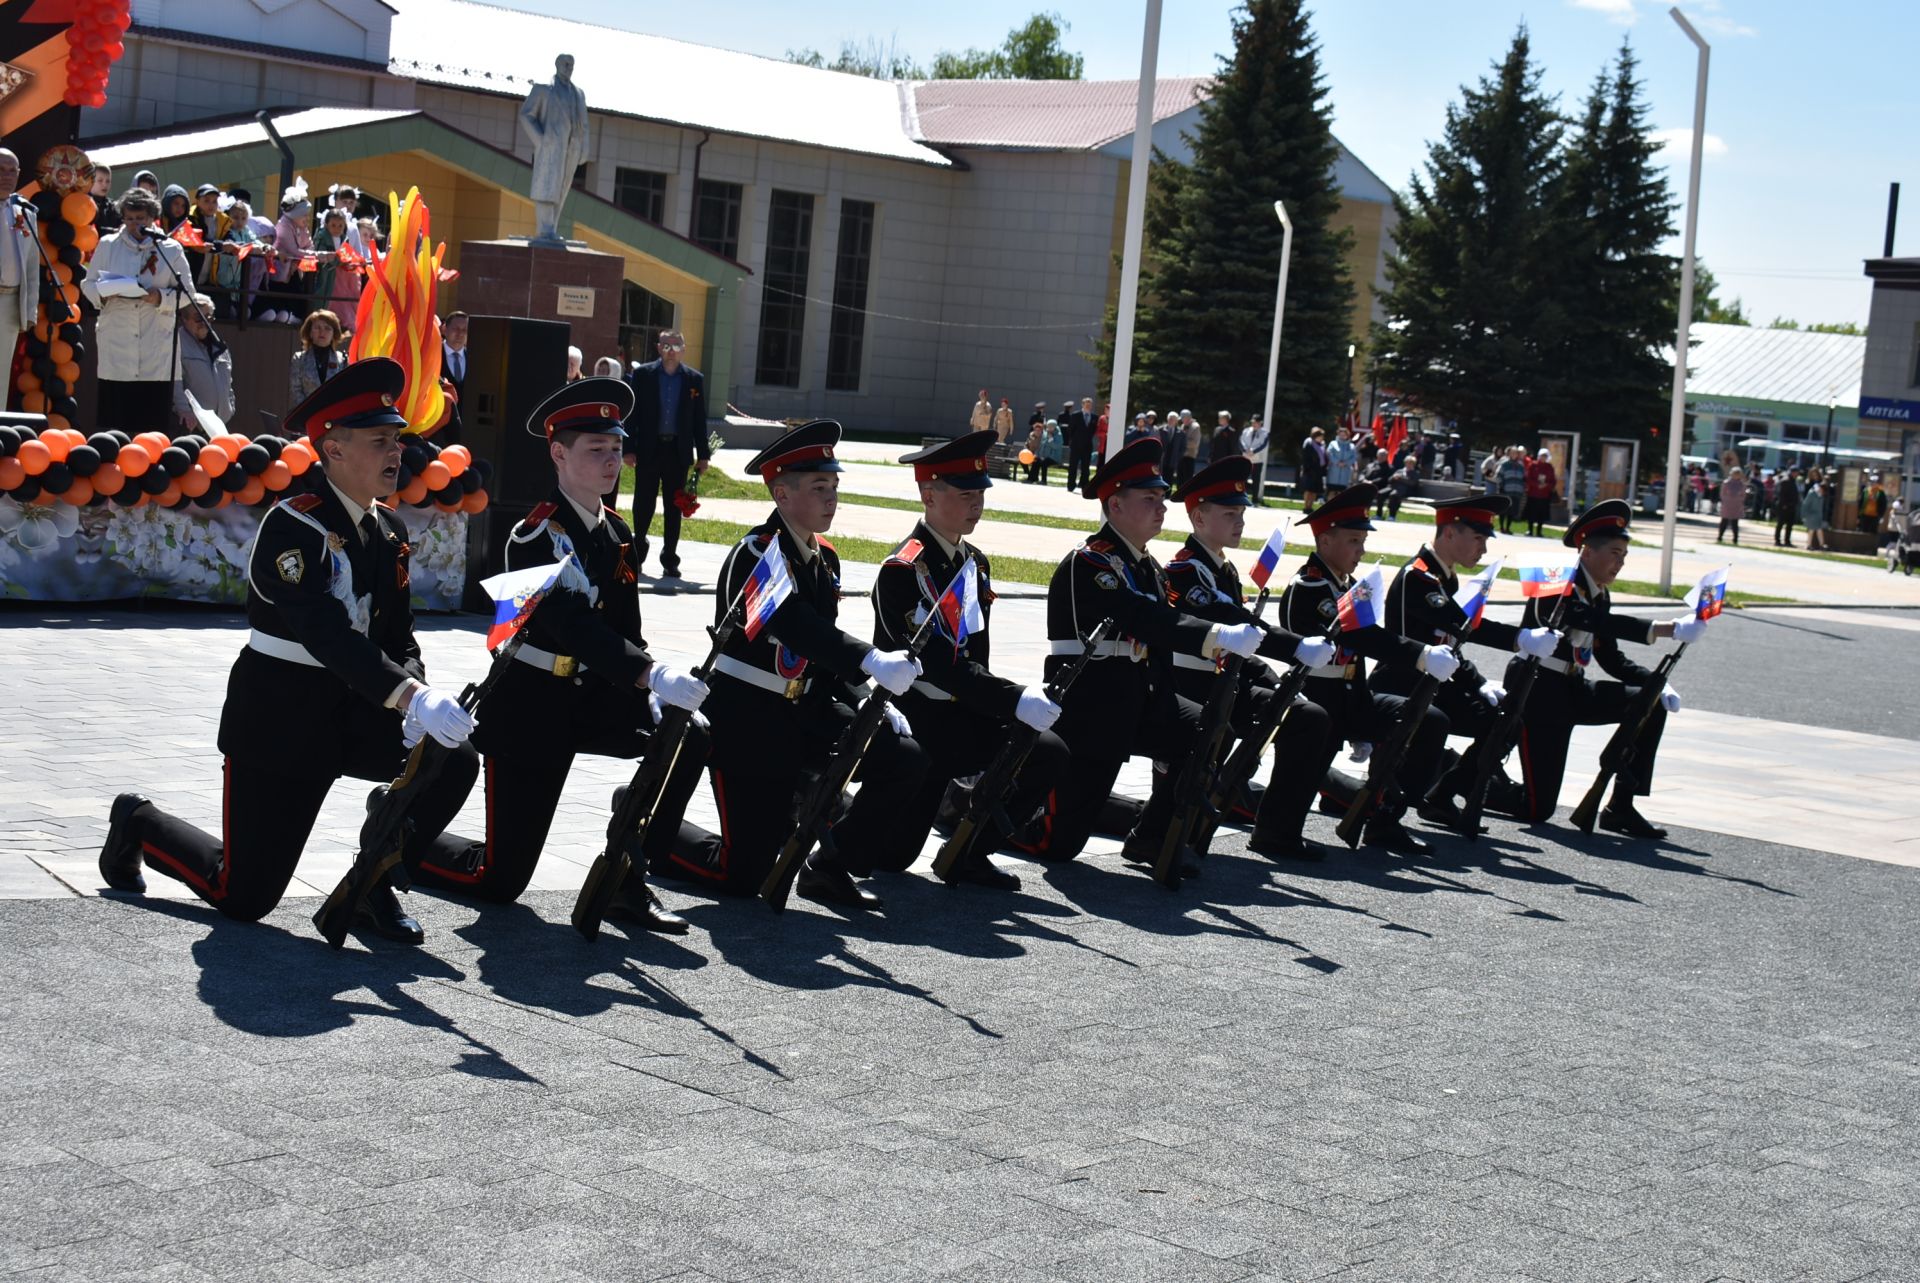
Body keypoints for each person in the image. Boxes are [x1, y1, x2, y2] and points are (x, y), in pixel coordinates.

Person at [96, 358, 478, 942]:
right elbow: (325, 633)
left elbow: (398, 634)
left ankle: (376, 879)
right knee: (244, 897)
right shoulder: (292, 529)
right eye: (379, 442)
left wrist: (417, 698)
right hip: (283, 719)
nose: (396, 453)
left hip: (355, 709)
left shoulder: (390, 531)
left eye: (397, 440)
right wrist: (407, 697)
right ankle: (139, 822)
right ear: (333, 450)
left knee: (452, 755)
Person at [414, 378, 708, 931]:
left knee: (688, 732)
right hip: (532, 704)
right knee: (502, 883)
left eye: (617, 449)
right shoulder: (532, 538)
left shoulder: (618, 533)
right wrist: (647, 674)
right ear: (558, 454)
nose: (611, 461)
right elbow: (571, 625)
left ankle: (628, 872)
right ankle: (405, 832)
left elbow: (624, 627)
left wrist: (648, 686)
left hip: (596, 695)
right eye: (596, 450)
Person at [659, 421, 927, 909]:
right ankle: (659, 833)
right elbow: (793, 623)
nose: (832, 498)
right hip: (749, 715)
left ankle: (832, 864)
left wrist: (864, 699)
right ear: (781, 494)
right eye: (819, 487)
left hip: (807, 709)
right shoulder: (756, 553)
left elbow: (821, 657)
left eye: (835, 487)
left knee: (903, 755)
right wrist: (868, 659)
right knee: (747, 876)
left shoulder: (825, 558)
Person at [1018, 438, 1266, 874]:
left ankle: (1150, 837)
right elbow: (1144, 619)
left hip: (1141, 700)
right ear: (1114, 505)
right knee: (1056, 845)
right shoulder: (1092, 564)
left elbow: (1160, 643)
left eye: (1161, 499)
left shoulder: (1146, 568)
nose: (1162, 508)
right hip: (1092, 710)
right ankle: (966, 798)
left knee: (1207, 727)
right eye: (1149, 499)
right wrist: (1216, 633)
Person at [872, 431, 1070, 889]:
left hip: (965, 712)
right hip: (920, 720)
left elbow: (974, 652)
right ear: (928, 495)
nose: (976, 503)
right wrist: (1013, 698)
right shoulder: (903, 570)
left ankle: (969, 849)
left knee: (1047, 752)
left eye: (980, 492)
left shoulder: (975, 563)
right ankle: (830, 803)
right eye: (965, 494)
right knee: (891, 858)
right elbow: (937, 663)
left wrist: (1005, 705)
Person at [1164, 456, 1335, 860]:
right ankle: (1173, 829)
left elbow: (1243, 646)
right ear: (1199, 516)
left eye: (1241, 512)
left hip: (1226, 681)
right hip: (1193, 685)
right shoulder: (1185, 570)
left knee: (1308, 717)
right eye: (1229, 513)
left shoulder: (1222, 570)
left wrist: (1276, 685)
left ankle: (1277, 830)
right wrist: (1295, 645)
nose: (1239, 521)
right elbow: (1232, 621)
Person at [1503, 500, 1703, 838]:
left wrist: (1656, 683)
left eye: (1624, 555)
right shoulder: (1557, 582)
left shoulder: (1599, 595)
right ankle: (1464, 773)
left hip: (1572, 688)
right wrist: (1662, 628)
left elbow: (1610, 657)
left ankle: (1621, 807)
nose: (1619, 563)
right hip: (1539, 692)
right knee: (1536, 809)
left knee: (1648, 703)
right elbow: (1583, 620)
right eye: (1614, 553)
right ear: (1586, 551)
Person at [1278, 484, 1458, 854]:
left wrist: (1362, 710)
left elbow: (1356, 658)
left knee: (1430, 719)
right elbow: (1361, 638)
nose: (1362, 550)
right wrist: (1422, 654)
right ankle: (1276, 832)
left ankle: (1386, 816)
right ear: (1325, 540)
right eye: (1354, 541)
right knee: (1293, 792)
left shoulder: (1343, 586)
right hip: (1318, 700)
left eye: (1362, 541)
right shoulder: (1309, 587)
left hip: (1351, 698)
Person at [1377, 496, 1562, 825]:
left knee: (1504, 720)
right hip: (1404, 682)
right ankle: (1390, 810)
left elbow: (1450, 645)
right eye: (1478, 538)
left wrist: (1478, 684)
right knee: (1439, 724)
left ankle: (1443, 793)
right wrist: (1520, 638)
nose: (1483, 549)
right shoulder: (1418, 576)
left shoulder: (1445, 578)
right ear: (1449, 534)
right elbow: (1460, 624)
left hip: (1435, 683)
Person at [82, 188, 194, 435]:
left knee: (150, 429)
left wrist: (160, 297)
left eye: (140, 219)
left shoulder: (170, 249)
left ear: (152, 218)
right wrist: (103, 292)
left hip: (154, 343)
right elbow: (88, 284)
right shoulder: (108, 245)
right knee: (116, 426)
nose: (134, 224)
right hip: (118, 341)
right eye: (129, 218)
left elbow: (188, 294)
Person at [622, 327, 711, 578]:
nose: (671, 351)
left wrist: (703, 455)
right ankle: (638, 550)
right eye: (666, 345)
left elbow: (699, 420)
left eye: (676, 346)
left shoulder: (694, 380)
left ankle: (670, 558)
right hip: (649, 449)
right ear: (659, 348)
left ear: (683, 350)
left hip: (677, 451)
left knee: (674, 507)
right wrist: (628, 449)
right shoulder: (643, 375)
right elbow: (633, 415)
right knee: (643, 503)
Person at [519, 54, 591, 243]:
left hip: (571, 149)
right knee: (547, 188)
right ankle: (545, 229)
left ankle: (551, 228)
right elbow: (526, 115)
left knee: (561, 189)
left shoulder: (578, 93)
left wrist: (584, 147)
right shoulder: (544, 89)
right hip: (551, 147)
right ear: (557, 65)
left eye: (572, 65)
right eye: (566, 64)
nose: (569, 67)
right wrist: (540, 139)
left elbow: (584, 124)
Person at [173, 294, 234, 430]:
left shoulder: (219, 345)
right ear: (184, 318)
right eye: (198, 318)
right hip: (190, 427)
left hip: (219, 427)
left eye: (208, 318)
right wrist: (184, 410)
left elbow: (228, 383)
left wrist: (229, 408)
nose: (205, 323)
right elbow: (175, 383)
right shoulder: (176, 343)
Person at [0, 149, 37, 367]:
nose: (7, 176)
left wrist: (30, 310)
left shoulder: (25, 214)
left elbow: (32, 268)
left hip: (10, 302)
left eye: (12, 171)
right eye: (1, 170)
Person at [288, 309, 348, 411]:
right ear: (310, 332)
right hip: (305, 416)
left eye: (327, 328)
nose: (322, 332)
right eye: (317, 328)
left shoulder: (343, 360)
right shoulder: (299, 359)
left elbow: (344, 391)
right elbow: (296, 391)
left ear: (334, 333)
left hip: (333, 417)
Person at [311, 206, 364, 320]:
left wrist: (349, 260)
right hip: (322, 271)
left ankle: (326, 315)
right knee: (321, 291)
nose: (337, 229)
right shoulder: (322, 236)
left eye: (340, 226)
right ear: (326, 225)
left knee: (330, 294)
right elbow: (320, 253)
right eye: (333, 225)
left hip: (334, 271)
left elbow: (345, 252)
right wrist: (334, 259)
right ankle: (317, 315)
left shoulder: (344, 238)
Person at [441, 311, 469, 438]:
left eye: (464, 330)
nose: (460, 333)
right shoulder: (433, 355)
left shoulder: (477, 357)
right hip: (439, 428)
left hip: (468, 429)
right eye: (456, 328)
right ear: (445, 329)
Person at [1066, 396, 1098, 492]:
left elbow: (1093, 431)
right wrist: (1073, 441)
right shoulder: (1076, 415)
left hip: (1087, 445)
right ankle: (1071, 485)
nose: (1088, 406)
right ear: (1082, 405)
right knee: (1073, 466)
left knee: (1085, 467)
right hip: (1076, 445)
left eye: (1090, 405)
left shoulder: (1094, 417)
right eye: (1086, 404)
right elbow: (1070, 430)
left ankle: (1084, 485)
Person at [1523, 448, 1556, 538]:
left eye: (1545, 456)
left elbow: (1553, 481)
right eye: (1542, 456)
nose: (1543, 458)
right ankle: (1530, 530)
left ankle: (1539, 531)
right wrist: (1536, 484)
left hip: (1544, 495)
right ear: (1539, 456)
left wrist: (1546, 485)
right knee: (1531, 513)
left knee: (1542, 514)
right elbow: (1528, 478)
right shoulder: (1533, 465)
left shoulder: (1549, 467)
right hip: (1533, 493)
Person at [1498, 447, 1528, 533]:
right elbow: (1499, 476)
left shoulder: (1520, 466)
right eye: (1512, 453)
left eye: (1515, 453)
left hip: (1517, 492)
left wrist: (1522, 487)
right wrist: (1501, 487)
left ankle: (1508, 528)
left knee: (1512, 511)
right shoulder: (1504, 464)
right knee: (1504, 510)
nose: (1514, 455)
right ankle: (1501, 527)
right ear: (1509, 454)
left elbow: (1524, 478)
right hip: (1506, 490)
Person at [1297, 426, 1327, 509]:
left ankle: (1310, 507)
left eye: (1322, 436)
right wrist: (1307, 468)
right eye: (1320, 436)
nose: (1322, 438)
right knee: (1308, 490)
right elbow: (1305, 458)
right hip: (1309, 470)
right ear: (1315, 436)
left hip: (1318, 471)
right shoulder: (1309, 444)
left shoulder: (1322, 445)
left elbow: (1324, 457)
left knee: (1315, 491)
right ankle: (1306, 506)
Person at [1716, 466, 1747, 544]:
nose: (1736, 475)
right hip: (1727, 504)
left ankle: (1735, 538)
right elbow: (1722, 494)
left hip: (1737, 505)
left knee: (1735, 522)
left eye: (1738, 474)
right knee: (1724, 521)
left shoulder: (1742, 484)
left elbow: (1743, 495)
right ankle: (1720, 536)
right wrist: (1725, 500)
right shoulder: (1726, 483)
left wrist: (1739, 500)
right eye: (1735, 473)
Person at [89, 161, 122, 232]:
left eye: (108, 181)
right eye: (100, 180)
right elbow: (91, 229)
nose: (104, 184)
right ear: (90, 181)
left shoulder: (113, 205)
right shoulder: (84, 204)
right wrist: (113, 231)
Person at [1773, 468, 1801, 548]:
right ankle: (1777, 540)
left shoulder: (1793, 481)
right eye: (1796, 472)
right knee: (1780, 523)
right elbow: (1782, 494)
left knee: (1789, 525)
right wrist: (1784, 505)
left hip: (1791, 506)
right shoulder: (1786, 481)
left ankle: (1787, 540)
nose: (1797, 474)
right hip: (1785, 506)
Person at [1326, 424, 1359, 492]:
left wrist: (1345, 463)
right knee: (1331, 492)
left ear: (1347, 435)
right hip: (1333, 472)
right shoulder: (1333, 443)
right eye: (1340, 435)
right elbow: (1329, 454)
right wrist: (1337, 462)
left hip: (1345, 474)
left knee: (1341, 494)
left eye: (1344, 435)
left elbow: (1354, 457)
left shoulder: (1352, 446)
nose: (1342, 436)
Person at [1802, 470, 1828, 551]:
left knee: (1818, 530)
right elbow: (1805, 504)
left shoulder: (1821, 496)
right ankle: (1809, 545)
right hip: (1811, 515)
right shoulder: (1812, 493)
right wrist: (1804, 515)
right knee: (1812, 530)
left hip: (1818, 515)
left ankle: (1821, 544)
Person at [1037, 416, 1062, 485]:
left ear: (1054, 427)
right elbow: (1042, 445)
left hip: (1054, 458)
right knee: (1036, 461)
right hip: (1046, 456)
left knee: (1044, 463)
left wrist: (1051, 439)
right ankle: (1032, 478)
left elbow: (1056, 447)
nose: (1049, 428)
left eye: (1051, 427)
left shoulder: (1058, 435)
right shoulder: (1045, 433)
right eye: (1048, 427)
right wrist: (1040, 455)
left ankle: (1043, 481)